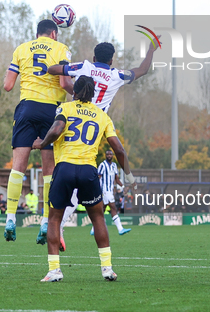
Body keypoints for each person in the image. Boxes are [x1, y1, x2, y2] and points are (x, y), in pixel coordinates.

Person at [48, 39, 158, 246]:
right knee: (86, 184)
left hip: (71, 121)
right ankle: (103, 263)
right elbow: (142, 70)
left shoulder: (84, 66)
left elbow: (53, 70)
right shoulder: (117, 75)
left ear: (94, 58)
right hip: (96, 125)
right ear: (112, 59)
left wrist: (63, 64)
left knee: (65, 173)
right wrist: (152, 48)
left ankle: (54, 224)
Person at [31, 76, 136, 282]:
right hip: (88, 171)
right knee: (97, 218)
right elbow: (119, 150)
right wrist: (129, 176)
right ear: (93, 94)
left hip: (65, 170)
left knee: (54, 218)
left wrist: (41, 143)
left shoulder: (66, 108)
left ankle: (54, 271)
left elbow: (57, 129)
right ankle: (107, 268)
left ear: (74, 92)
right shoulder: (102, 116)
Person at [2, 19, 74, 243]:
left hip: (26, 107)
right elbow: (64, 84)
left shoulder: (21, 49)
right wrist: (81, 92)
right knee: (49, 171)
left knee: (18, 167)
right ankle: (45, 222)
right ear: (53, 33)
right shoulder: (61, 49)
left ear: (38, 33)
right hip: (51, 110)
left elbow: (8, 85)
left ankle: (10, 218)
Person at [89, 150, 131, 236]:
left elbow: (117, 179)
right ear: (105, 155)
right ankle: (120, 229)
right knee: (113, 208)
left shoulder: (114, 165)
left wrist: (123, 187)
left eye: (110, 154)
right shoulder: (102, 165)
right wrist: (96, 189)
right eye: (107, 154)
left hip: (110, 191)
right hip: (104, 191)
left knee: (102, 210)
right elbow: (98, 177)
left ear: (112, 155)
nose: (109, 155)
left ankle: (93, 229)